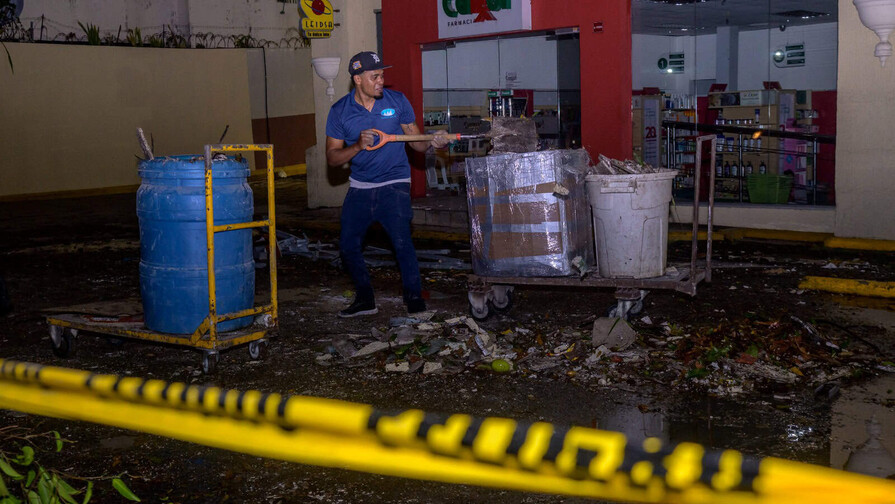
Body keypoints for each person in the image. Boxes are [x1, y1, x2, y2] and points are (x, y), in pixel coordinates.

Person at [325, 51, 451, 318]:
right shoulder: (339, 112)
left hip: (395, 180)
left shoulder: (398, 101)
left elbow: (415, 142)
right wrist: (358, 146)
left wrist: (432, 141)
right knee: (348, 245)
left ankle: (414, 299)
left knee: (402, 241)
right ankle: (365, 299)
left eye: (382, 75)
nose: (382, 80)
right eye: (375, 76)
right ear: (358, 79)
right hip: (360, 186)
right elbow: (333, 158)